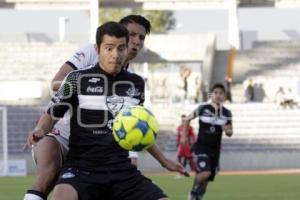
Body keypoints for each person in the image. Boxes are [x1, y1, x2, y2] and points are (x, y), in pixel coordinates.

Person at [25, 21, 186, 200]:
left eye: (121, 48)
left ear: (126, 49)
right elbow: (51, 115)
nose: (115, 55)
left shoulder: (136, 83)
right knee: (61, 196)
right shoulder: (76, 79)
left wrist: (164, 161)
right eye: (109, 48)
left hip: (122, 171)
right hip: (81, 169)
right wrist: (40, 130)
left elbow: (139, 128)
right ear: (97, 49)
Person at [185, 83, 233, 200]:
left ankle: (198, 196)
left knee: (208, 178)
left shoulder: (227, 113)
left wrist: (227, 131)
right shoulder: (202, 108)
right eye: (215, 93)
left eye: (221, 93)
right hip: (202, 147)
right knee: (205, 173)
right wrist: (183, 137)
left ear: (224, 96)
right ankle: (192, 192)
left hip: (215, 150)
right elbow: (187, 118)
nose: (218, 95)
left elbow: (230, 132)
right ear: (211, 95)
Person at [176, 114, 196, 179]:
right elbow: (178, 137)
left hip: (187, 146)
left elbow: (193, 136)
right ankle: (181, 173)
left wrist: (193, 144)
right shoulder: (179, 127)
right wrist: (177, 144)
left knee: (189, 159)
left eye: (184, 120)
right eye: (182, 120)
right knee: (180, 159)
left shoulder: (189, 127)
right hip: (181, 146)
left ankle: (195, 171)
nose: (183, 121)